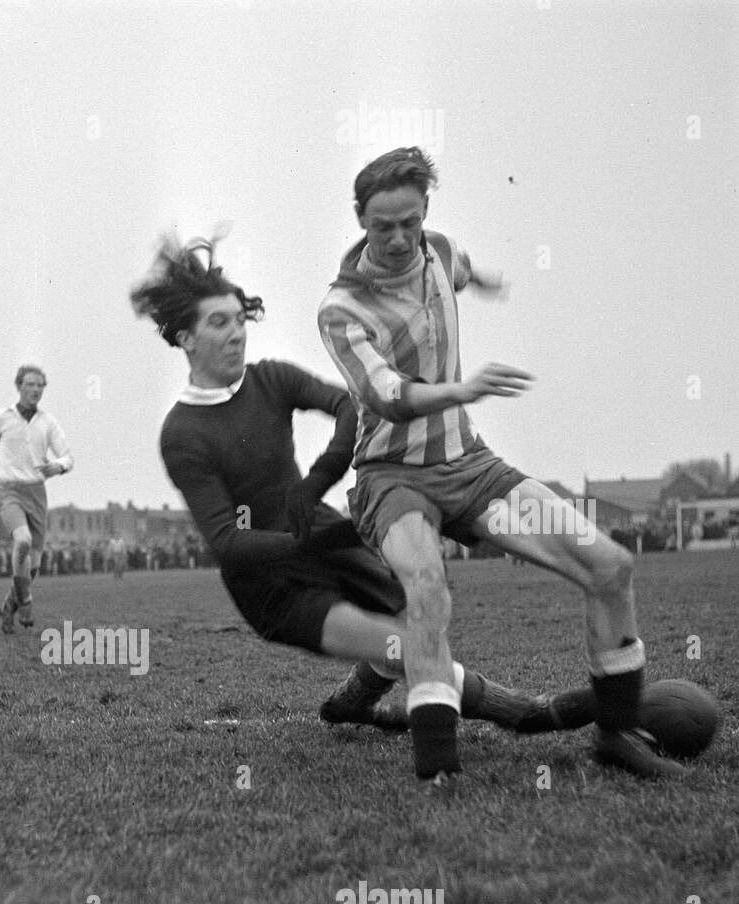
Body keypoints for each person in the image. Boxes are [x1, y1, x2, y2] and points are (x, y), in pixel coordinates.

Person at [129, 232, 593, 754]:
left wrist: (317, 482)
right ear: (186, 339)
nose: (237, 334)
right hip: (270, 582)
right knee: (404, 648)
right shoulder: (182, 432)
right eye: (219, 323)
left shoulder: (272, 379)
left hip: (320, 531)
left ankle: (352, 703)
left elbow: (350, 407)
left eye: (240, 319)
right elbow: (226, 543)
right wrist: (314, 540)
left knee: (425, 608)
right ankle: (527, 713)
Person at [318, 147, 674, 786]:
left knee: (610, 565)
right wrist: (461, 389)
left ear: (425, 213)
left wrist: (484, 281)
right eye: (382, 227)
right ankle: (439, 769)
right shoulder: (341, 309)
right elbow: (386, 396)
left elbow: (460, 266)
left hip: (472, 466)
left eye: (410, 222)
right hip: (391, 478)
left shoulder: (440, 252)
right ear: (360, 222)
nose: (398, 239)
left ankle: (616, 735)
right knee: (427, 592)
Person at [0, 365, 73, 634]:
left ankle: (8, 607)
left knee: (34, 566)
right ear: (19, 386)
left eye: (40, 385)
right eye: (30, 384)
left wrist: (58, 466)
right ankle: (25, 601)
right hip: (8, 491)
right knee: (23, 540)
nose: (36, 389)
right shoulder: (2, 418)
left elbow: (67, 456)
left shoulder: (47, 422)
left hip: (37, 494)